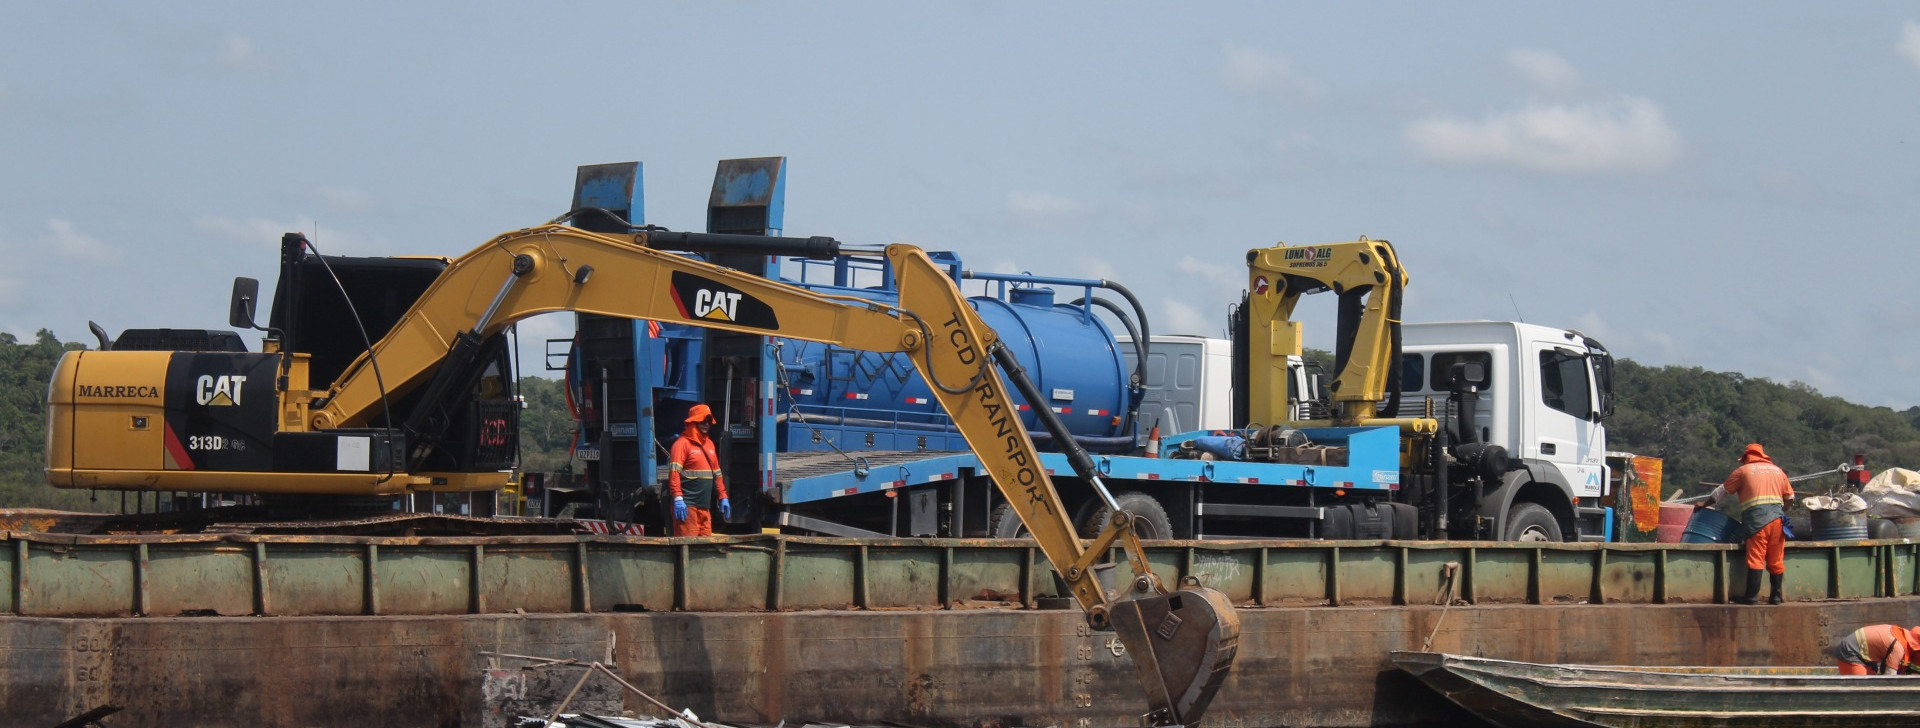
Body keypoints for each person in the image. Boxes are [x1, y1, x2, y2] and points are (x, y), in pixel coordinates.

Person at [1697, 443, 1794, 604]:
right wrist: (1780, 512)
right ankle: (1776, 597)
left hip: (1757, 522)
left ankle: (1751, 597)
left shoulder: (1742, 471)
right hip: (1778, 521)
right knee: (1776, 559)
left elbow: (1721, 492)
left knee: (1756, 558)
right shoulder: (1778, 471)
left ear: (1746, 458)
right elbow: (1790, 497)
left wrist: (1704, 504)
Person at [668, 403, 729, 537]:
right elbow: (674, 475)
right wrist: (678, 499)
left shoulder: (709, 445)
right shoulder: (681, 445)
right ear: (693, 422)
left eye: (708, 421)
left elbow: (717, 474)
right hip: (687, 507)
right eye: (703, 421)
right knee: (688, 548)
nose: (706, 424)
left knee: (704, 549)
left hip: (704, 508)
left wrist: (723, 496)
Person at [1825, 624, 1919, 675]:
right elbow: (1890, 677)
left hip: (1866, 655)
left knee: (1871, 681)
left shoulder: (1902, 635)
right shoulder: (1898, 648)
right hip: (1851, 652)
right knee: (1859, 689)